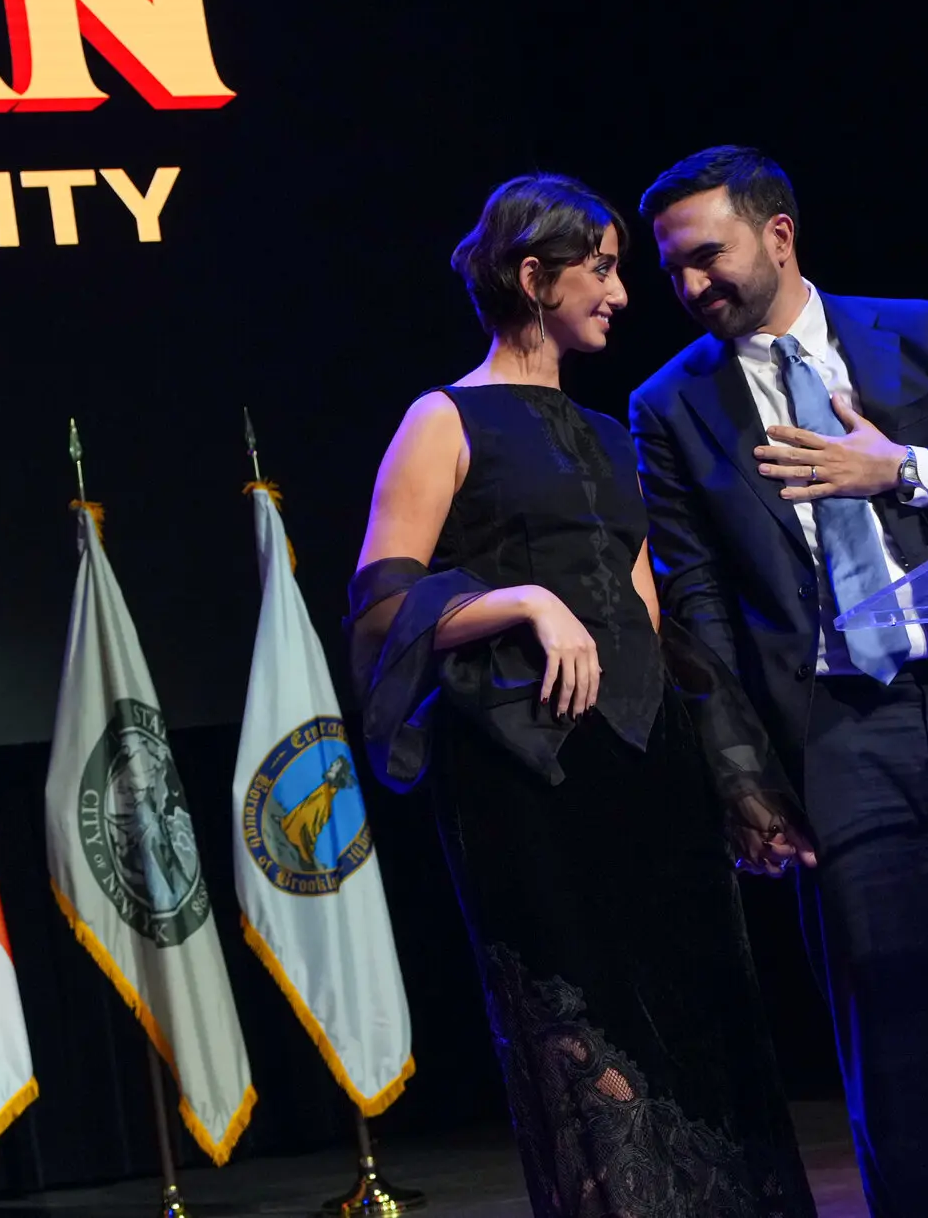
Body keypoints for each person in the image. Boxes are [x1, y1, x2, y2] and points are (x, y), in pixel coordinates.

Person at [628, 145, 928, 1217]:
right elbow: (695, 608)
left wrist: (903, 470)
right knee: (879, 1041)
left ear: (778, 234)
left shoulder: (923, 335)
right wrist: (741, 775)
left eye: (705, 256)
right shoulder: (670, 404)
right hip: (837, 730)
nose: (690, 285)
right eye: (671, 272)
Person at [349, 172, 816, 1217]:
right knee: (589, 1056)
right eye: (600, 268)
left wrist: (741, 782)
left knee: (694, 1032)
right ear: (533, 275)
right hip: (533, 775)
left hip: (647, 773)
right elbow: (381, 605)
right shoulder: (442, 418)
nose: (618, 290)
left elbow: (656, 627)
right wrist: (519, 600)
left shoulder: (610, 435)